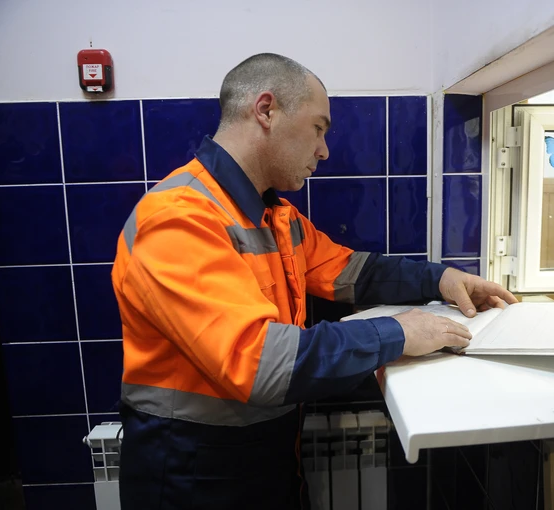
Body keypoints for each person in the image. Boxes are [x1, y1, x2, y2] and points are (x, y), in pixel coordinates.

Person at [111, 52, 517, 510]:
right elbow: (263, 365)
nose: (324, 150)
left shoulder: (275, 217)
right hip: (192, 478)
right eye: (318, 128)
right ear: (266, 110)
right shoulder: (179, 219)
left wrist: (442, 279)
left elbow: (353, 273)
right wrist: (400, 332)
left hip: (262, 460)